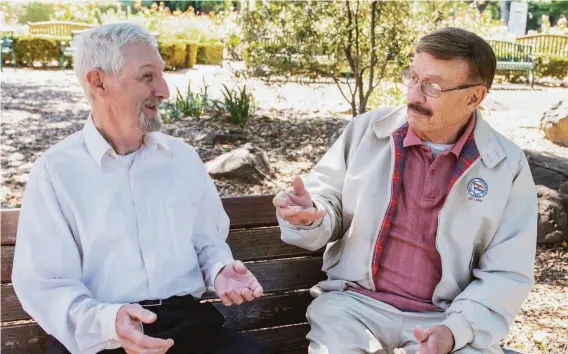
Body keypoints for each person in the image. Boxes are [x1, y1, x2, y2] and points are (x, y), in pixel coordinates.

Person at [273, 27, 537, 354]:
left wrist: (453, 332)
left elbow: (506, 272)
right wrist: (310, 215)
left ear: (475, 97)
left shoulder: (505, 165)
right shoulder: (367, 131)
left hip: (445, 316)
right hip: (354, 307)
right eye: (412, 78)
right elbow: (326, 202)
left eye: (433, 86)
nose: (414, 94)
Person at [12, 22, 264, 354]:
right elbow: (45, 285)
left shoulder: (183, 159)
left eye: (161, 74)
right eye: (147, 77)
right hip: (100, 334)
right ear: (98, 81)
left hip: (185, 325)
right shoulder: (56, 171)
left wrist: (219, 270)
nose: (164, 91)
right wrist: (108, 322)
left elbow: (207, 243)